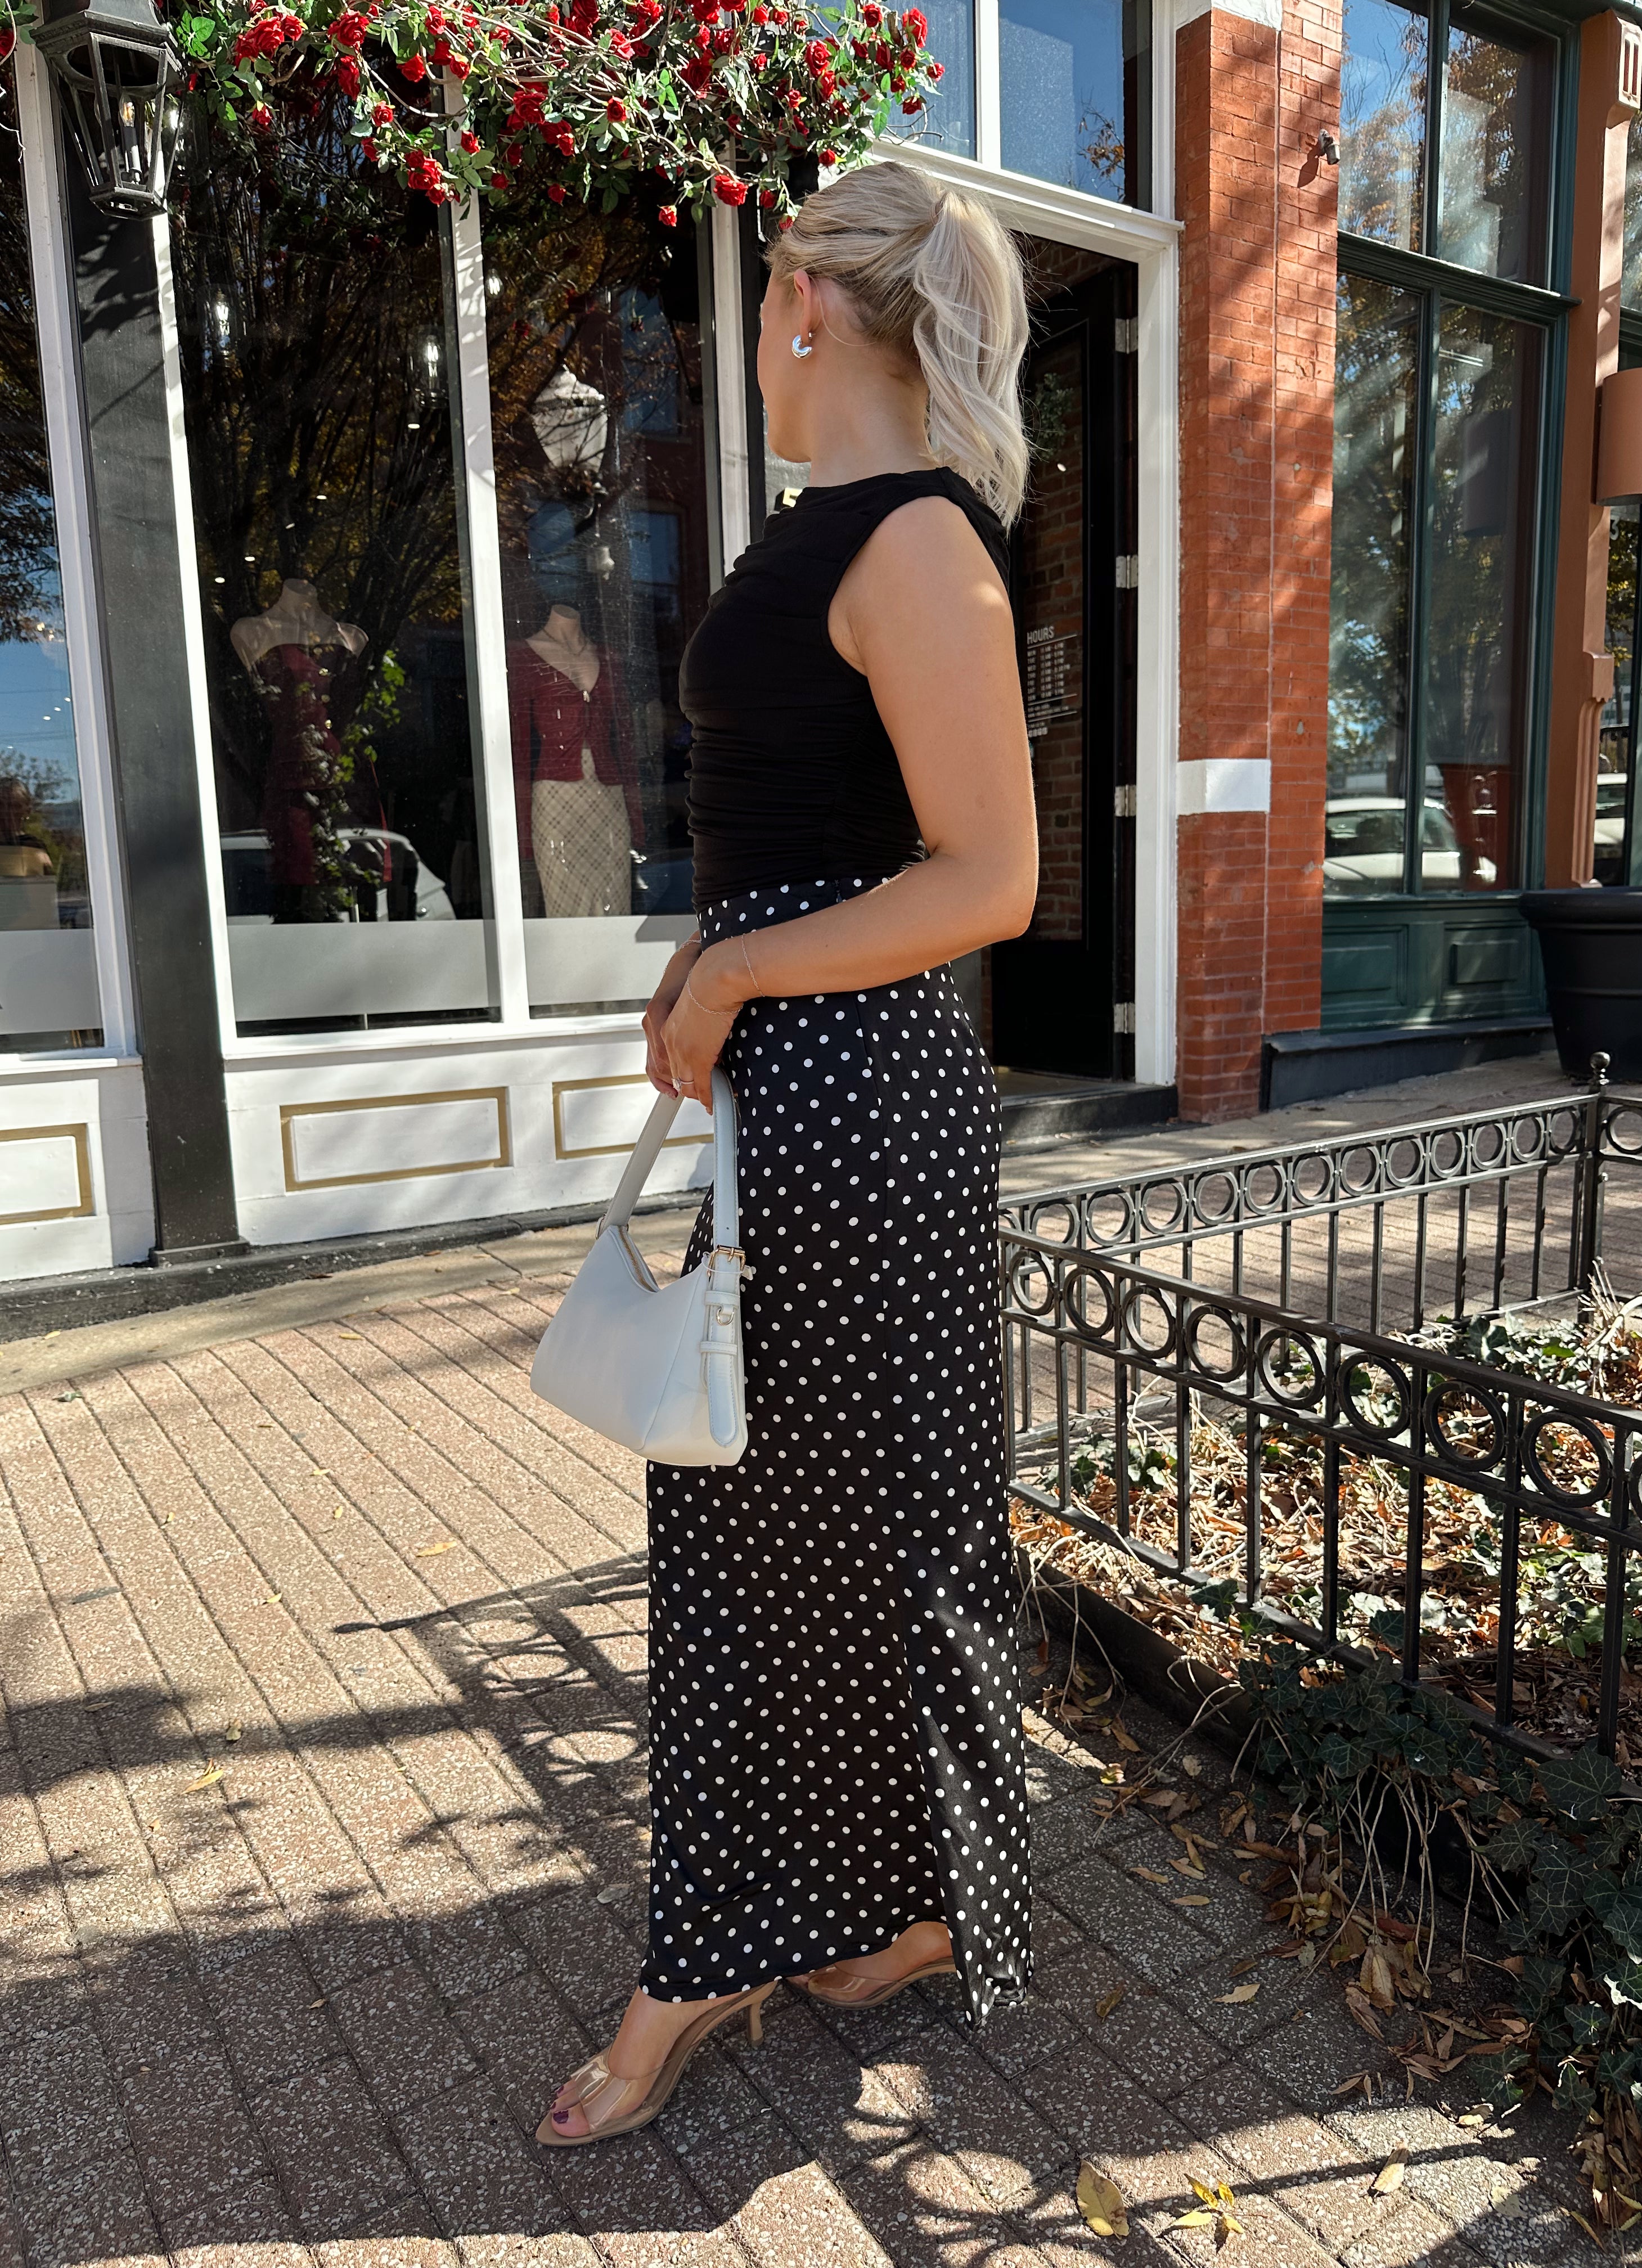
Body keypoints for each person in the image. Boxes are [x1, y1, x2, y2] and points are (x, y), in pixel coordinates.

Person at [538, 158, 1039, 2147]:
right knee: (780, 1527)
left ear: (812, 308)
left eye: (762, 296)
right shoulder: (832, 528)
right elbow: (796, 830)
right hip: (806, 1095)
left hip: (859, 1109)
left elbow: (990, 880)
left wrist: (740, 964)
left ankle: (710, 1962)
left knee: (801, 1534)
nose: (748, 328)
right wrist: (716, 954)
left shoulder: (919, 543)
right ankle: (869, 1913)